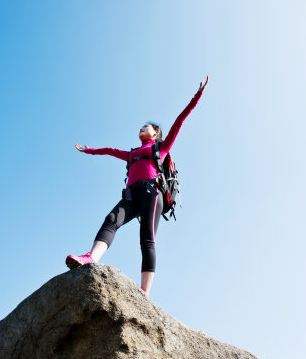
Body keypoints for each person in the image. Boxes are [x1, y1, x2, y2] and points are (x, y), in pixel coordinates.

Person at [67, 76, 209, 297]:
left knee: (147, 239)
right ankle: (90, 258)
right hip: (132, 195)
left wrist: (197, 96)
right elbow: (110, 150)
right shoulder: (132, 153)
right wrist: (89, 150)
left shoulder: (161, 148)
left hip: (152, 194)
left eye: (146, 127)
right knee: (112, 220)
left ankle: (144, 292)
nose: (141, 129)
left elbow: (179, 121)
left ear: (156, 133)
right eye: (141, 127)